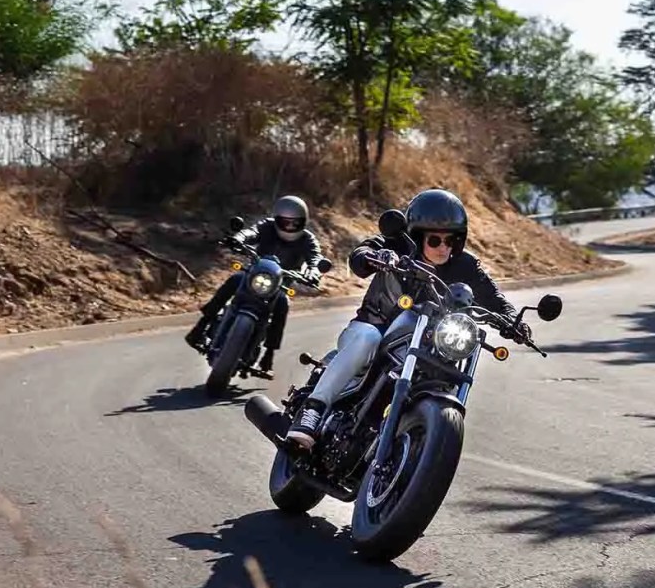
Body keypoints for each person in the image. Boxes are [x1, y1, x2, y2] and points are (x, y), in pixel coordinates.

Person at [285, 187, 531, 449]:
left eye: (450, 240)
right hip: (374, 331)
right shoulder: (396, 246)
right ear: (417, 235)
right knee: (367, 336)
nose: (443, 247)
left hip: (427, 342)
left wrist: (513, 320)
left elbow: (493, 297)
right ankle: (313, 409)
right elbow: (361, 254)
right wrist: (373, 257)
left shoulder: (466, 265)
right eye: (434, 240)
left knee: (449, 360)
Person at [185, 195, 323, 378]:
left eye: (294, 223)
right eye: (285, 222)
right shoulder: (267, 226)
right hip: (254, 274)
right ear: (277, 220)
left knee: (283, 303)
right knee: (234, 280)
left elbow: (315, 258)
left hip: (280, 285)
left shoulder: (308, 239)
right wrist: (238, 238)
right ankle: (200, 327)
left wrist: (313, 271)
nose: (289, 227)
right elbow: (251, 232)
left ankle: (268, 355)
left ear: (303, 222)